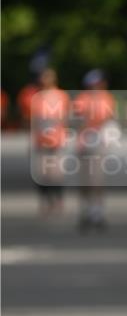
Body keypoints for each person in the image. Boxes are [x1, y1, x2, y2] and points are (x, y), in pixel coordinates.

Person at [72, 69, 117, 231]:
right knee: (85, 180)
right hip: (85, 142)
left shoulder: (107, 98)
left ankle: (97, 212)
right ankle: (85, 211)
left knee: (97, 179)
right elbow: (77, 120)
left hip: (99, 142)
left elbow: (110, 119)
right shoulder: (82, 98)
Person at [29, 68, 70, 216]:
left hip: (57, 139)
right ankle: (45, 201)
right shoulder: (37, 97)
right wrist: (33, 139)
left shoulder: (61, 95)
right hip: (41, 140)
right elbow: (34, 120)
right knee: (42, 172)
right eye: (44, 77)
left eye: (48, 77)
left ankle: (58, 200)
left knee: (57, 172)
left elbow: (65, 118)